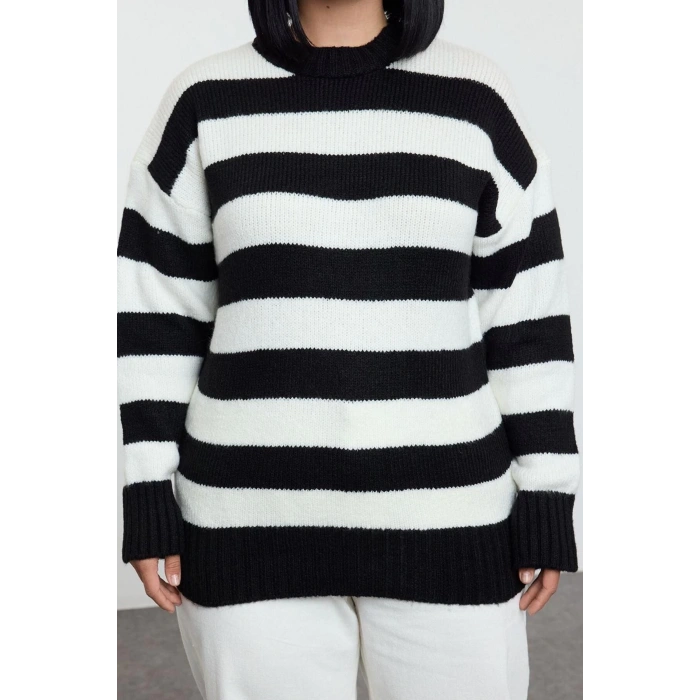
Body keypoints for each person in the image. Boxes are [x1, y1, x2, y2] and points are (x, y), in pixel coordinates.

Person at [114, 1, 581, 697]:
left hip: (449, 521)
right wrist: (149, 491)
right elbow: (156, 314)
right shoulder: (203, 102)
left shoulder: (476, 100)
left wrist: (547, 492)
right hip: (248, 524)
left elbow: (526, 316)